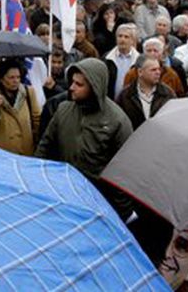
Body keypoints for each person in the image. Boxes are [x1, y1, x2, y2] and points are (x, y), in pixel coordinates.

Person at [35, 58, 133, 218]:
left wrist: (122, 214)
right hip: (64, 194)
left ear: (95, 87)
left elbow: (124, 172)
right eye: (72, 82)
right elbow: (44, 148)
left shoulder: (117, 120)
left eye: (79, 85)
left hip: (99, 201)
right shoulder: (63, 110)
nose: (72, 88)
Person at [0, 58, 40, 155]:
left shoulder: (28, 92)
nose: (16, 81)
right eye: (11, 77)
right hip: (0, 155)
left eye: (18, 77)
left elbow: (37, 120)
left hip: (26, 154)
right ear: (1, 79)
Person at [117, 56, 175, 130]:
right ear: (140, 72)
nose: (158, 72)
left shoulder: (168, 94)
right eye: (153, 70)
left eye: (159, 69)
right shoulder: (125, 95)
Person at [103, 23, 140, 100]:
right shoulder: (107, 58)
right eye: (120, 36)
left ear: (132, 41)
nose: (122, 39)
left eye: (126, 37)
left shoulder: (139, 60)